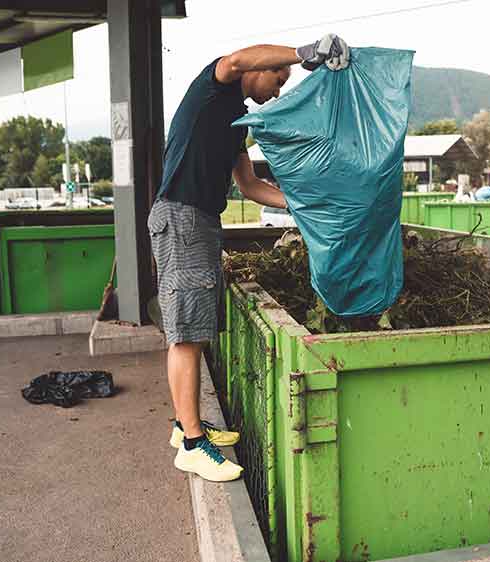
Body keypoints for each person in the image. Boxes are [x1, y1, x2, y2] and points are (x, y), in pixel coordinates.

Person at [148, 34, 350, 481]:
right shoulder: (214, 87)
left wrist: (304, 206)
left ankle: (187, 427)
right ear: (259, 69)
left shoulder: (236, 121)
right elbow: (236, 58)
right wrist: (304, 54)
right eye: (278, 79)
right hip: (181, 218)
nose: (277, 90)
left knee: (196, 329)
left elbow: (250, 186)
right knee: (185, 332)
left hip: (200, 222)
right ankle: (193, 447)